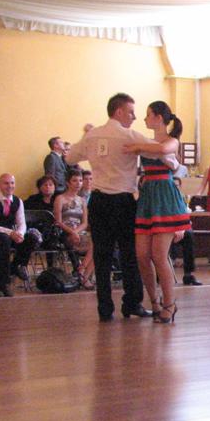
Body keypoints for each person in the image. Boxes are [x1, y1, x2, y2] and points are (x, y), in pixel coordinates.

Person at [66, 93, 153, 322]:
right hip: (123, 202)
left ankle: (104, 309)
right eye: (131, 112)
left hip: (99, 202)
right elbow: (158, 149)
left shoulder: (93, 135)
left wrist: (86, 136)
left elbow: (70, 157)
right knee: (129, 255)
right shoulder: (130, 136)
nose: (134, 117)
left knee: (102, 256)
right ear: (119, 111)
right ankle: (132, 303)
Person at [123, 101, 192, 324]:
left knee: (159, 255)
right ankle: (154, 301)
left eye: (148, 115)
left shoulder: (172, 141)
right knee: (142, 255)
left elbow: (163, 150)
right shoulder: (146, 142)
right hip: (148, 197)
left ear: (159, 118)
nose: (144, 119)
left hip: (165, 197)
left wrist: (138, 146)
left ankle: (169, 304)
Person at [0, 173, 42, 282]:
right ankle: (3, 275)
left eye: (12, 183)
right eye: (6, 183)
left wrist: (20, 234)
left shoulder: (18, 201)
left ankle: (15, 266)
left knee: (31, 238)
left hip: (13, 235)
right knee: (4, 239)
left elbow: (22, 223)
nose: (10, 186)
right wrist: (10, 233)